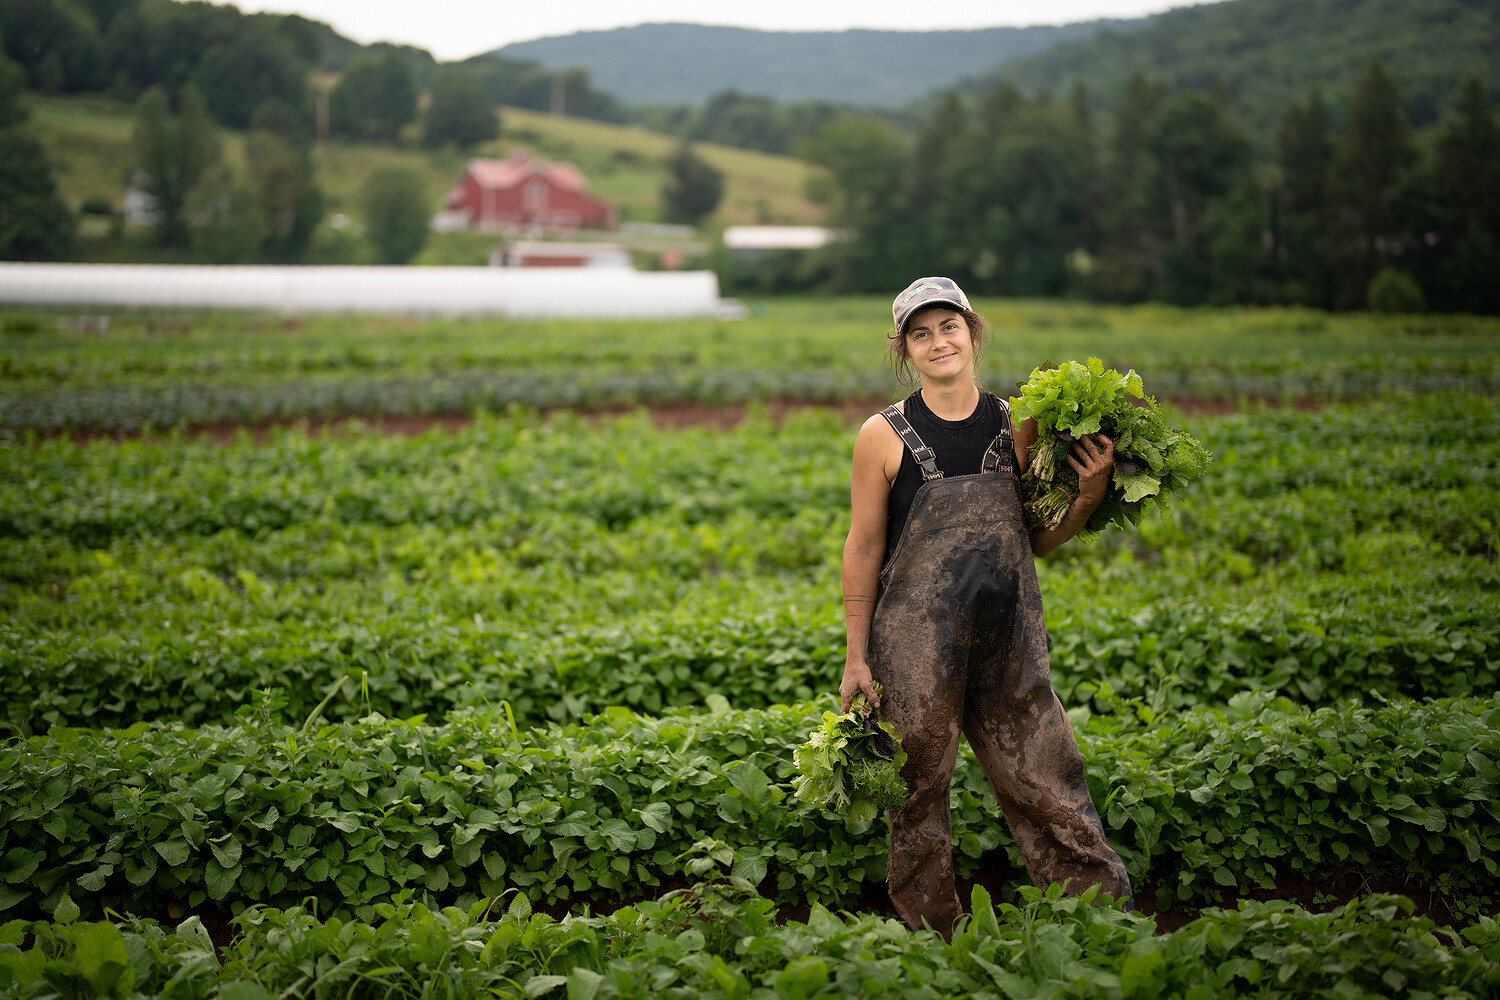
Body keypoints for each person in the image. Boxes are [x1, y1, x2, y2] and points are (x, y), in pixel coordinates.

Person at [839, 276, 1132, 936]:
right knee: (917, 793)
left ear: (973, 333)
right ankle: (931, 937)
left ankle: (1100, 921)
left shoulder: (1017, 425)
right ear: (905, 350)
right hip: (912, 649)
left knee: (1048, 778)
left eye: (948, 326)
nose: (938, 341)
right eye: (921, 333)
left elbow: (1034, 540)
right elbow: (862, 548)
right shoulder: (882, 435)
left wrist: (1087, 499)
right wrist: (857, 657)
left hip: (1008, 643)